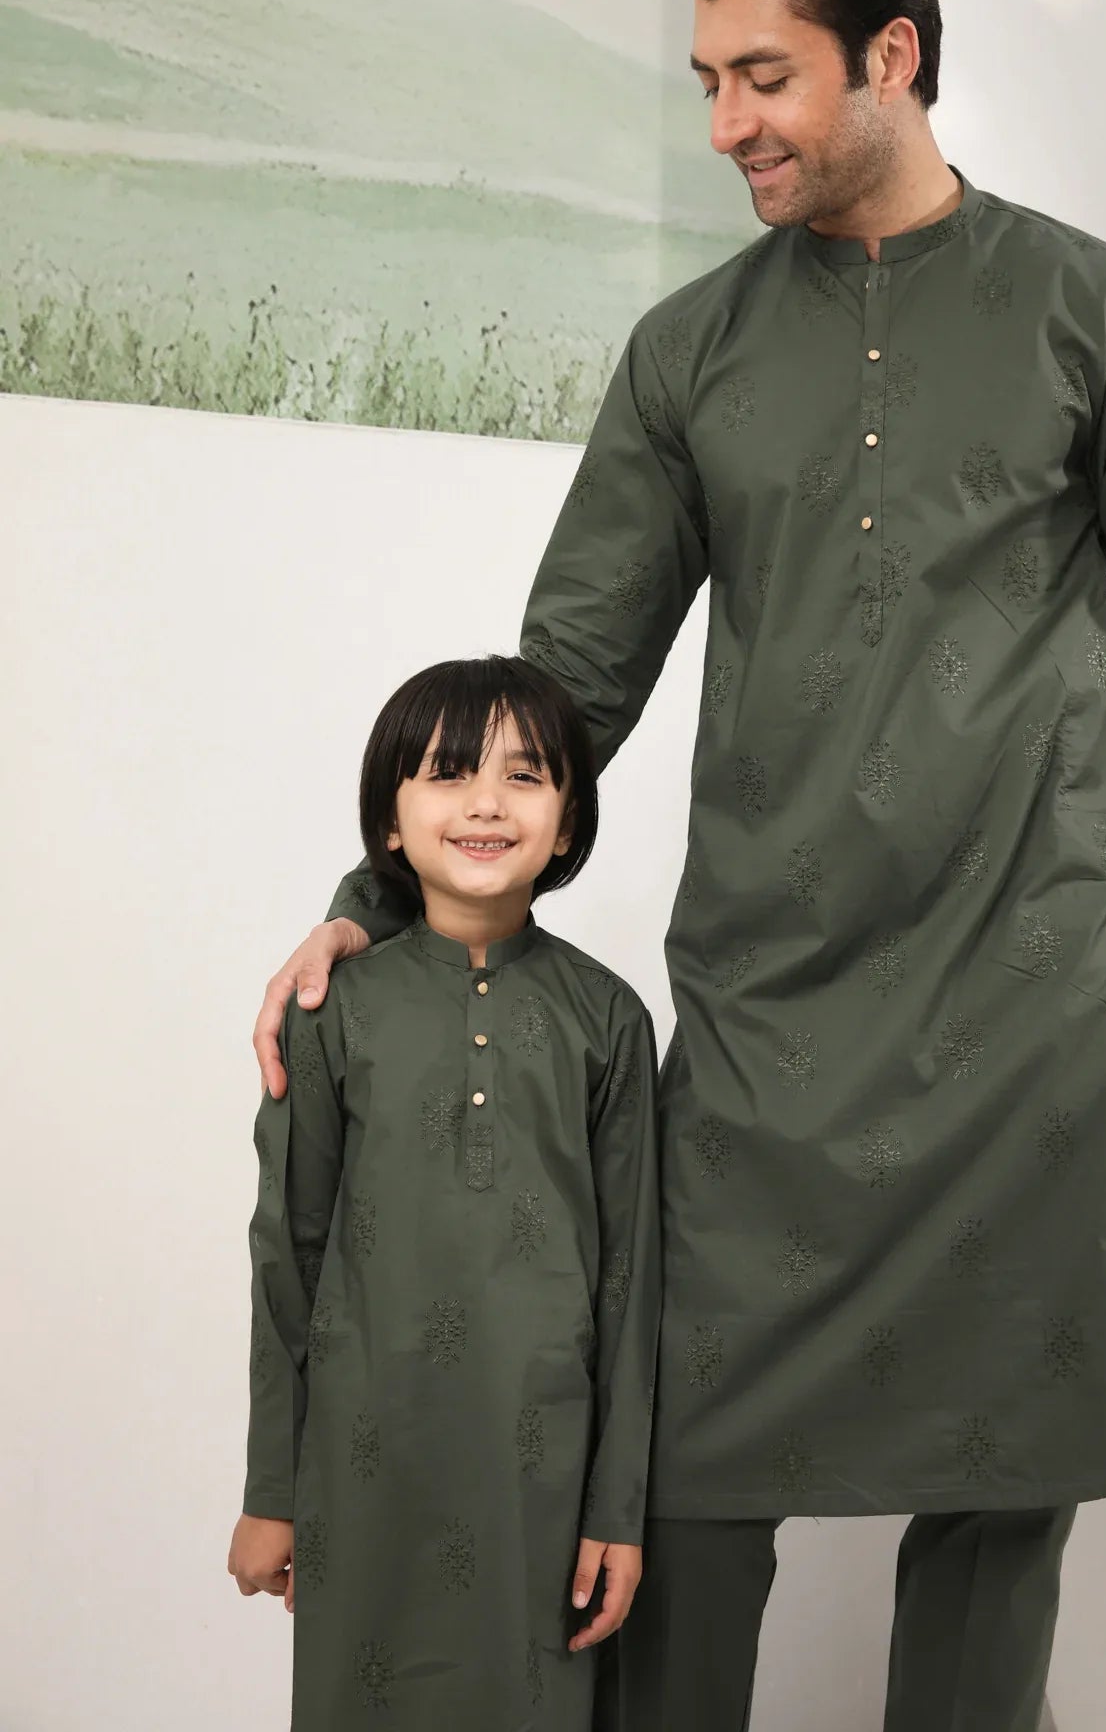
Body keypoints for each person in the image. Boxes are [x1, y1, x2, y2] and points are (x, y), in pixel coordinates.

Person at [250, 0, 1106, 1731]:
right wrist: (374, 898)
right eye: (708, 79)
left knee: (996, 1516)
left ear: (892, 54)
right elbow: (568, 684)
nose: (724, 121)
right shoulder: (693, 352)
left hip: (1038, 1027)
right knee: (683, 1502)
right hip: (767, 1033)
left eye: (764, 77)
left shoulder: (1094, 313)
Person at [228, 656, 661, 1729]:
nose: (483, 802)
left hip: (542, 1475)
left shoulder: (608, 1020)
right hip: (365, 1458)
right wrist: (272, 1490)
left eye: (525, 775)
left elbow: (631, 1280)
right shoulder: (330, 1011)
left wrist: (618, 1508)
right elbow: (290, 1251)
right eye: (448, 773)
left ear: (566, 824)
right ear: (389, 819)